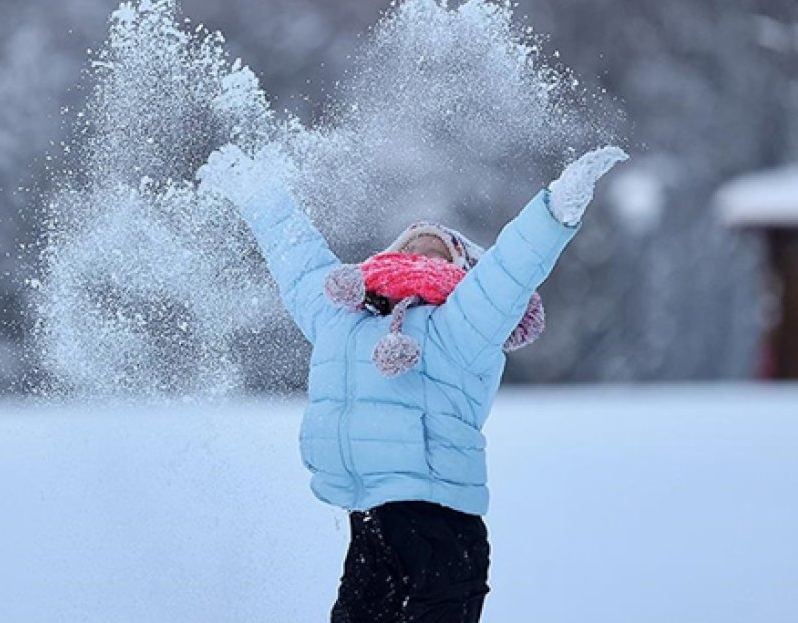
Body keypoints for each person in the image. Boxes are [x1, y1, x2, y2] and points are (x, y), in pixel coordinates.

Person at [197, 143, 627, 623]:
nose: (420, 251)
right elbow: (298, 261)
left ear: (462, 273)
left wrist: (553, 211)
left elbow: (509, 271)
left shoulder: (462, 325)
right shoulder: (342, 320)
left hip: (443, 532)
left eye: (438, 250)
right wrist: (259, 195)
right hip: (369, 526)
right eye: (409, 246)